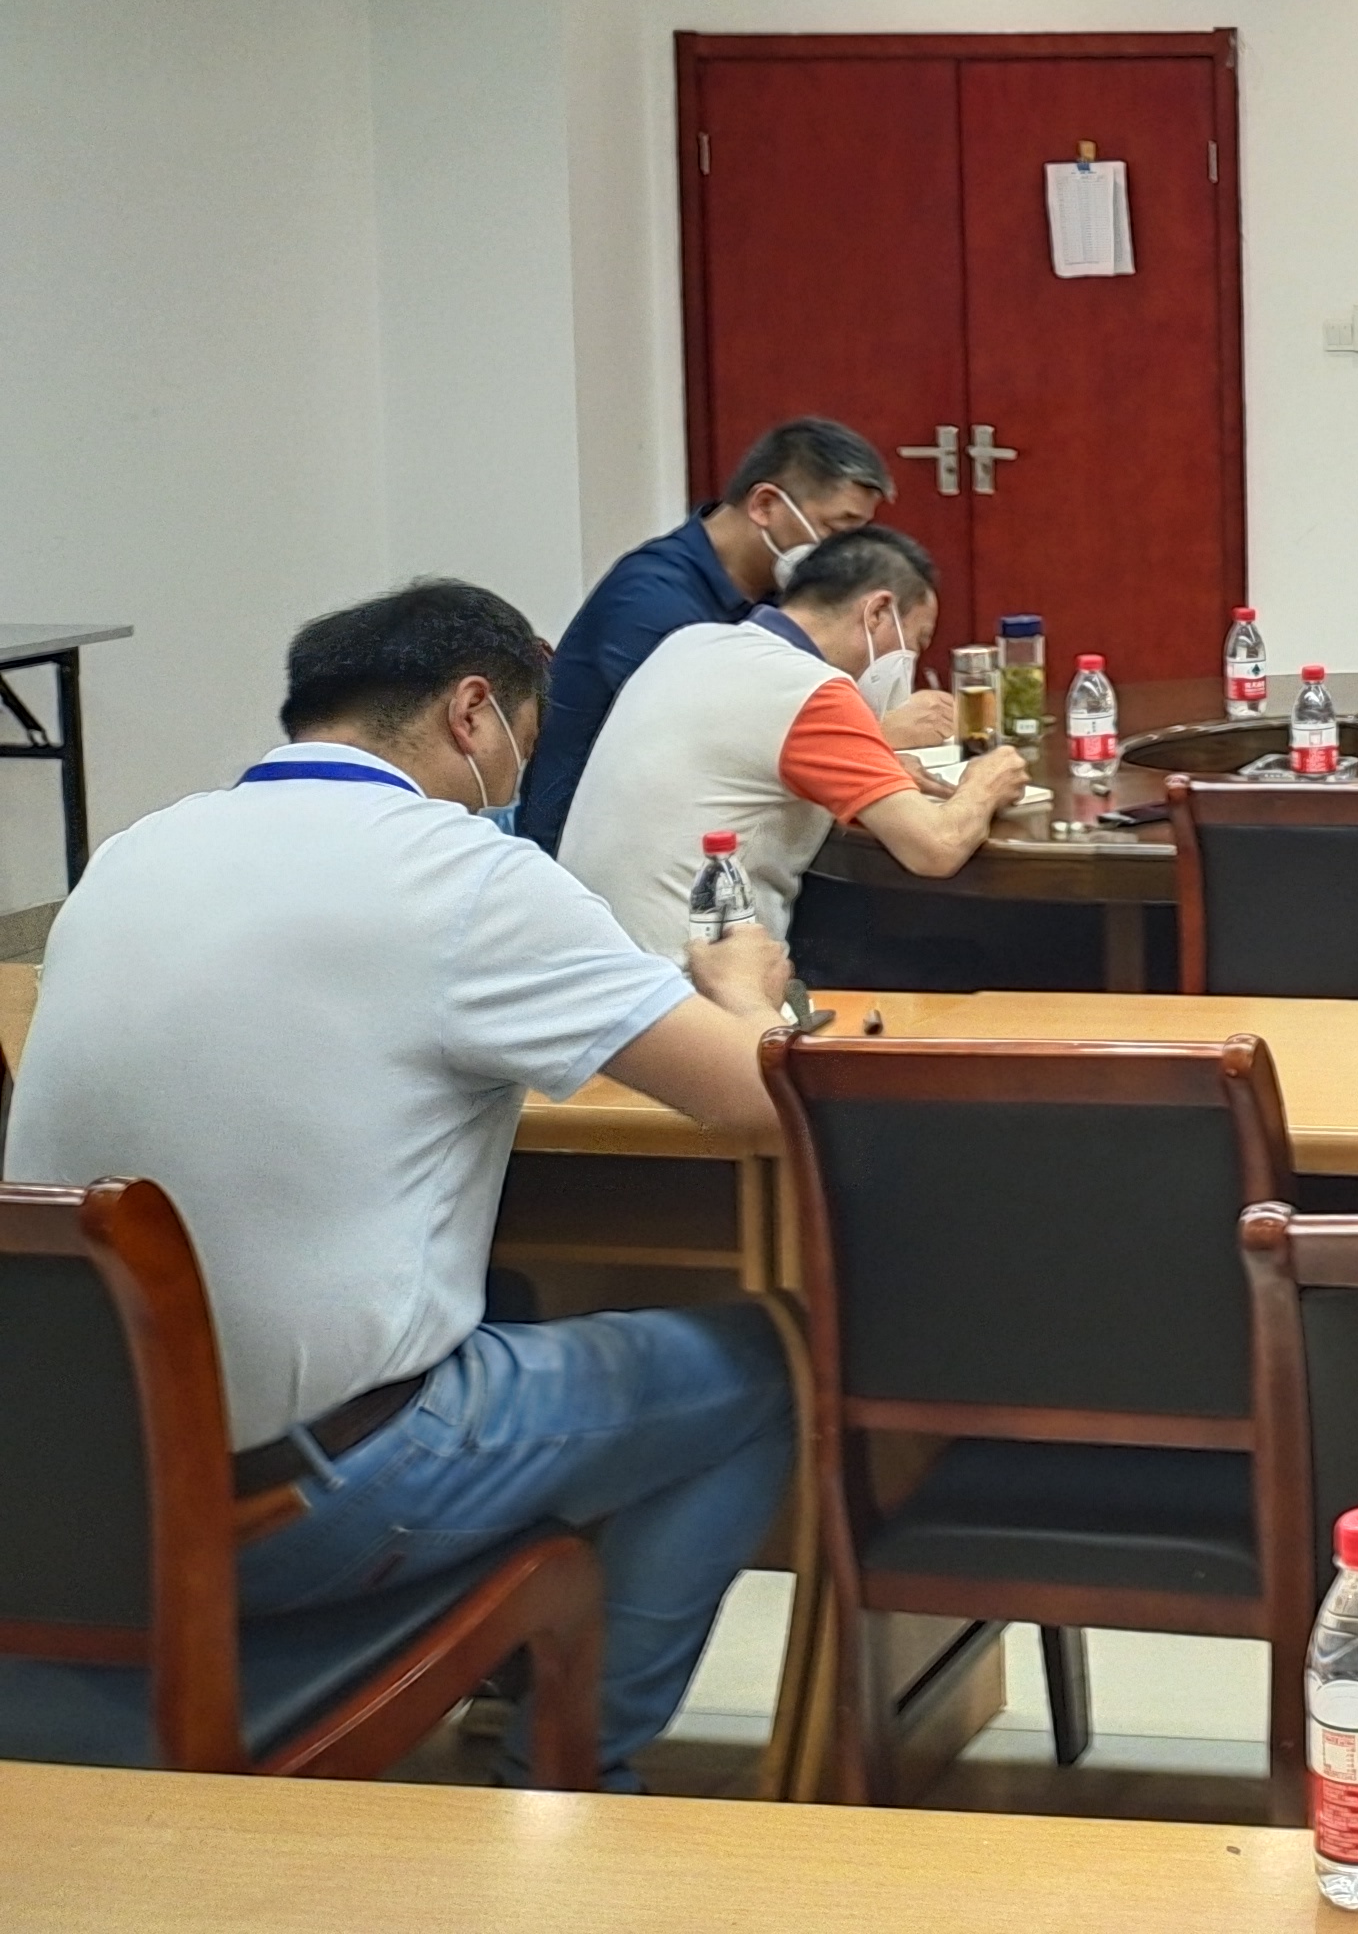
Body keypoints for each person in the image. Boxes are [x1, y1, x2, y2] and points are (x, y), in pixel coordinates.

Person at [3, 579, 804, 1785]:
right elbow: (756, 1096)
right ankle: (576, 1781)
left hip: (66, 1502)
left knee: (513, 1298)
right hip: (296, 1502)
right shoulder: (464, 875)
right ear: (471, 712)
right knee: (766, 1369)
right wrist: (744, 990)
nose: (519, 776)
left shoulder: (131, 853)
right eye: (525, 740)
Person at [559, 524, 1025, 960]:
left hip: (598, 962)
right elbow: (936, 848)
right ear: (878, 612)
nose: (909, 663)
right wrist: (985, 782)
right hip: (694, 981)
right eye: (916, 643)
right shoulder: (812, 689)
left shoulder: (691, 642)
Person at [523, 417, 946, 857]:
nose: (847, 557)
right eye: (837, 531)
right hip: (592, 849)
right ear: (765, 505)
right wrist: (874, 738)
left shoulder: (780, 591)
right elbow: (707, 745)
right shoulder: (652, 600)